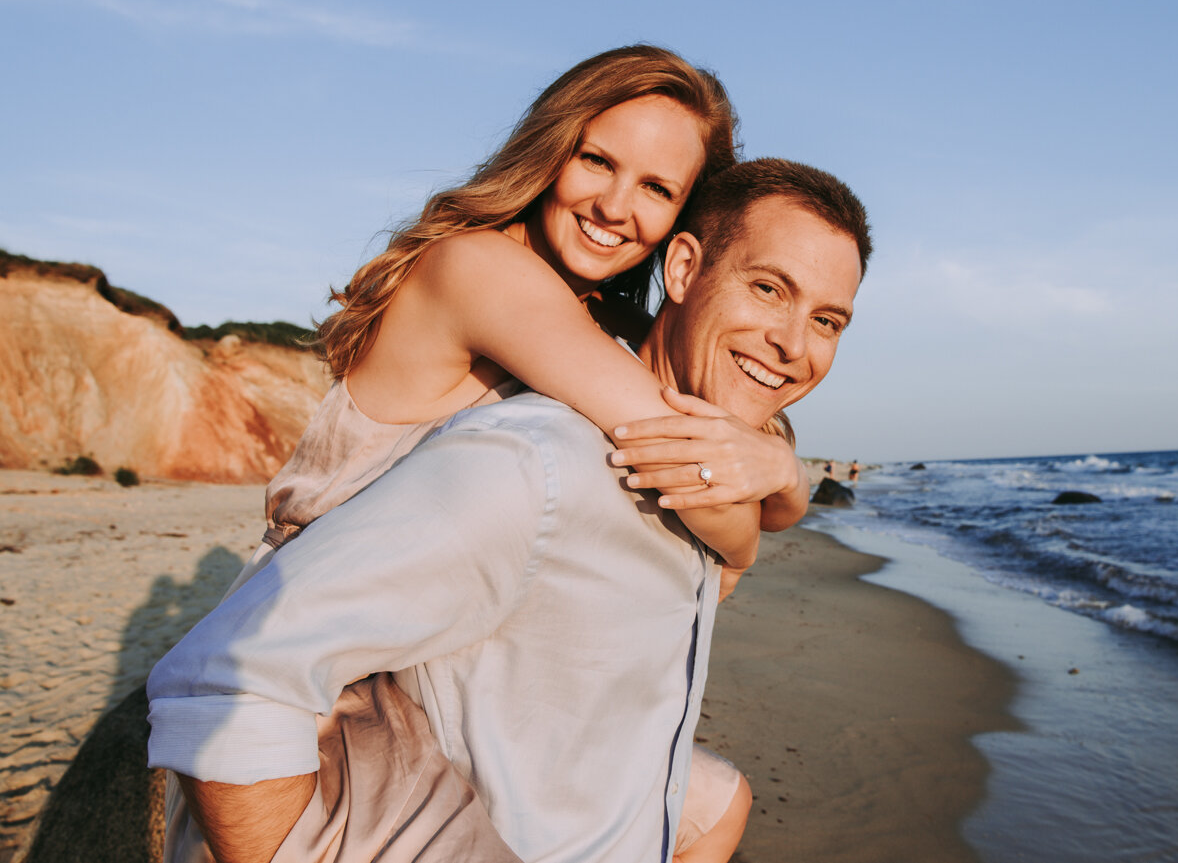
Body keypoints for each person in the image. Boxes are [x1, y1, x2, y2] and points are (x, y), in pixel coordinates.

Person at [173, 47, 806, 862]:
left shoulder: (585, 322)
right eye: (598, 160)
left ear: (683, 222)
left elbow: (739, 462)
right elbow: (707, 482)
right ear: (551, 149)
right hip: (338, 667)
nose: (616, 205)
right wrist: (762, 502)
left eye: (656, 188)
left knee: (710, 803)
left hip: (433, 640)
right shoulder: (482, 270)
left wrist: (778, 470)